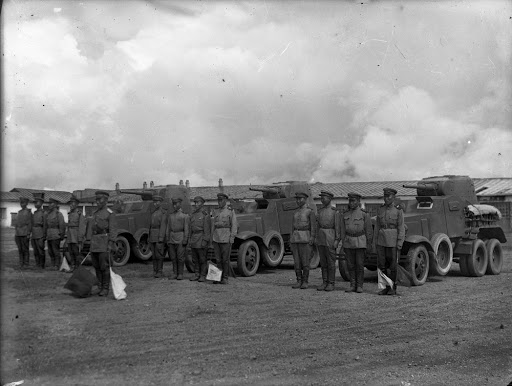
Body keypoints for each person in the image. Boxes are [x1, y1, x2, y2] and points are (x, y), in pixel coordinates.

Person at [374, 188, 405, 296]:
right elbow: (377, 226)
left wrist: (400, 242)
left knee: (393, 266)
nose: (386, 198)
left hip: (392, 241)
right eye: (385, 196)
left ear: (394, 197)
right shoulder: (380, 209)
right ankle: (384, 288)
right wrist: (375, 242)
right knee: (382, 266)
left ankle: (392, 287)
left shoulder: (398, 210)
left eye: (389, 196)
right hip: (381, 241)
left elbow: (401, 228)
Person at [340, 192, 373, 293]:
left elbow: (369, 231)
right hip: (348, 242)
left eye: (353, 201)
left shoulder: (364, 214)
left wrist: (369, 244)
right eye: (350, 201)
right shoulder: (345, 214)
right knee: (350, 265)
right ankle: (352, 285)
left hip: (360, 242)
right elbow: (342, 230)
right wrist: (343, 243)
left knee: (359, 265)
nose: (351, 203)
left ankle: (359, 286)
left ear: (359, 202)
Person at [86, 190, 117, 296]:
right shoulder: (95, 213)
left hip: (104, 243)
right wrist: (89, 242)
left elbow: (113, 230)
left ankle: (105, 288)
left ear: (106, 200)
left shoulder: (110, 213)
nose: (97, 202)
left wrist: (111, 244)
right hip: (95, 243)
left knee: (104, 266)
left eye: (100, 199)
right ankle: (99, 286)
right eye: (97, 200)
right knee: (96, 266)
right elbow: (91, 229)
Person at [290, 191, 317, 289]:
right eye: (297, 199)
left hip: (305, 238)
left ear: (305, 199)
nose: (298, 201)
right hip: (295, 239)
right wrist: (291, 239)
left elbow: (313, 227)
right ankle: (299, 281)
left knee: (305, 262)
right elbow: (292, 227)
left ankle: (305, 281)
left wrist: (312, 238)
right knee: (297, 262)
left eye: (300, 199)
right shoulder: (295, 212)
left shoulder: (310, 211)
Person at [316, 190, 340, 292]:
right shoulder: (320, 211)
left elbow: (338, 227)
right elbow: (317, 226)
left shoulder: (335, 212)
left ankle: (331, 283)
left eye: (324, 197)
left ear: (330, 199)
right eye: (321, 198)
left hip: (330, 238)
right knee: (323, 263)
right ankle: (324, 281)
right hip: (321, 239)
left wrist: (337, 240)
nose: (322, 199)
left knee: (331, 263)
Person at [211, 192, 237, 284]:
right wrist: (211, 237)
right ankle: (217, 277)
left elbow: (234, 225)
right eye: (218, 200)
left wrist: (232, 237)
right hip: (216, 237)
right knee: (217, 259)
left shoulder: (230, 211)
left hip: (226, 237)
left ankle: (225, 278)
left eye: (221, 200)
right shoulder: (215, 211)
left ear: (225, 200)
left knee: (225, 259)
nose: (219, 202)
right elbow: (213, 225)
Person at [189, 196, 211, 282]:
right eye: (195, 203)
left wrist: (205, 241)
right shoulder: (193, 215)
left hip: (201, 238)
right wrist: (190, 240)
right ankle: (196, 274)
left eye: (198, 202)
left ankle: (202, 275)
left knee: (202, 259)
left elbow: (207, 230)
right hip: (194, 239)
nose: (196, 204)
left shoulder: (205, 215)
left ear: (202, 204)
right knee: (195, 259)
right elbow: (191, 228)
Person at [167, 198, 189, 280]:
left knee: (180, 257)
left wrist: (185, 239)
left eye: (176, 204)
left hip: (180, 237)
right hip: (172, 237)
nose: (174, 205)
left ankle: (180, 273)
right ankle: (174, 273)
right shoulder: (171, 215)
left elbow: (186, 229)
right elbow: (168, 228)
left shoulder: (184, 216)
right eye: (173, 204)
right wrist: (167, 238)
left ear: (180, 204)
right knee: (173, 257)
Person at [66, 195, 86, 271]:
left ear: (77, 204)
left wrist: (80, 238)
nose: (71, 205)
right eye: (70, 203)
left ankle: (78, 267)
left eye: (73, 203)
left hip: (76, 236)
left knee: (76, 252)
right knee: (71, 252)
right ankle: (72, 266)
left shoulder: (80, 214)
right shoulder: (70, 214)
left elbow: (82, 227)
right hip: (70, 236)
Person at [149, 195, 167, 278]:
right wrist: (149, 237)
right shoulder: (153, 213)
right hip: (152, 236)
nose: (155, 203)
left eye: (157, 202)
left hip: (159, 235)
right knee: (154, 255)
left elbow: (163, 226)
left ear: (161, 202)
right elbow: (150, 226)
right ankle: (155, 270)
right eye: (154, 202)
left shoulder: (163, 213)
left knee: (159, 254)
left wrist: (161, 238)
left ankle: (160, 271)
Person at [46, 198, 65, 270]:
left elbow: (62, 225)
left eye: (51, 203)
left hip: (56, 235)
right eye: (49, 203)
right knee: (50, 251)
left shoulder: (58, 214)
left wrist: (61, 235)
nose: (49, 205)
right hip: (49, 235)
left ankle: (57, 265)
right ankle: (52, 264)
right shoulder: (48, 214)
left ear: (55, 205)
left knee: (55, 251)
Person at [15, 197, 32, 269]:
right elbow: (16, 223)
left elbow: (30, 224)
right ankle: (21, 263)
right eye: (21, 203)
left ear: (27, 203)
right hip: (18, 233)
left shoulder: (28, 212)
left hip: (25, 233)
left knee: (25, 249)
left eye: (23, 203)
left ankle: (26, 264)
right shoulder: (19, 212)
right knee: (20, 249)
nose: (22, 204)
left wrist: (28, 233)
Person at [31, 193, 47, 269]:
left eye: (37, 202)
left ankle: (42, 265)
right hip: (34, 234)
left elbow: (45, 225)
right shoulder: (34, 213)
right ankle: (37, 264)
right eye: (34, 202)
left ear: (41, 203)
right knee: (35, 250)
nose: (35, 203)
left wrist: (44, 235)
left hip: (40, 233)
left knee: (40, 250)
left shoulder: (44, 213)